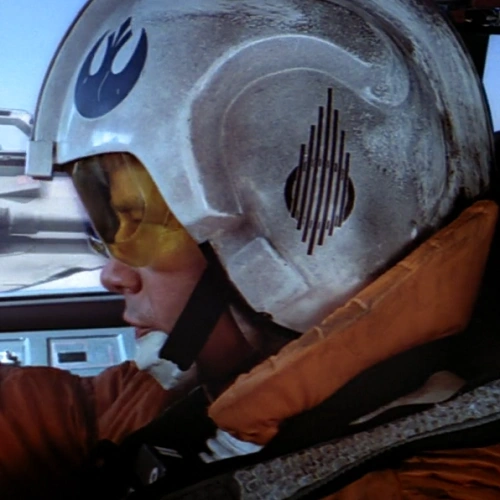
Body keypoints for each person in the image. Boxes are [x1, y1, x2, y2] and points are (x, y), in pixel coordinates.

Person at [19, 0, 500, 498]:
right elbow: (70, 411)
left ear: (294, 231)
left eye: (134, 223)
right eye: (105, 225)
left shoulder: (421, 484)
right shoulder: (193, 384)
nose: (112, 276)